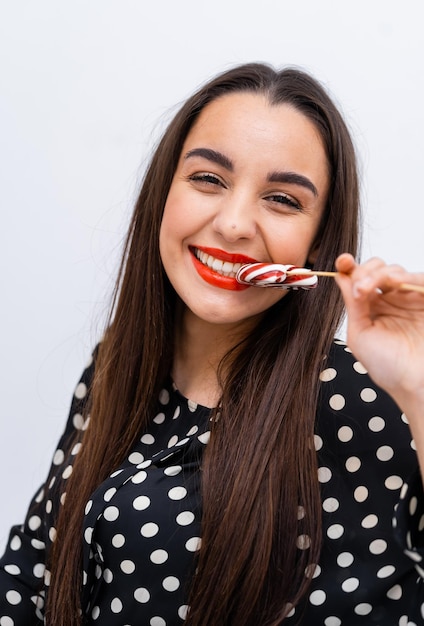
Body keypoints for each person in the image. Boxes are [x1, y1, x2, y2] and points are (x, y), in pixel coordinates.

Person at [1, 62, 424, 626]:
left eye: (282, 199)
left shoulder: (363, 401)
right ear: (164, 193)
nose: (233, 224)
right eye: (208, 179)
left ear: (319, 244)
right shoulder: (118, 362)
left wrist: (418, 389)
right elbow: (34, 567)